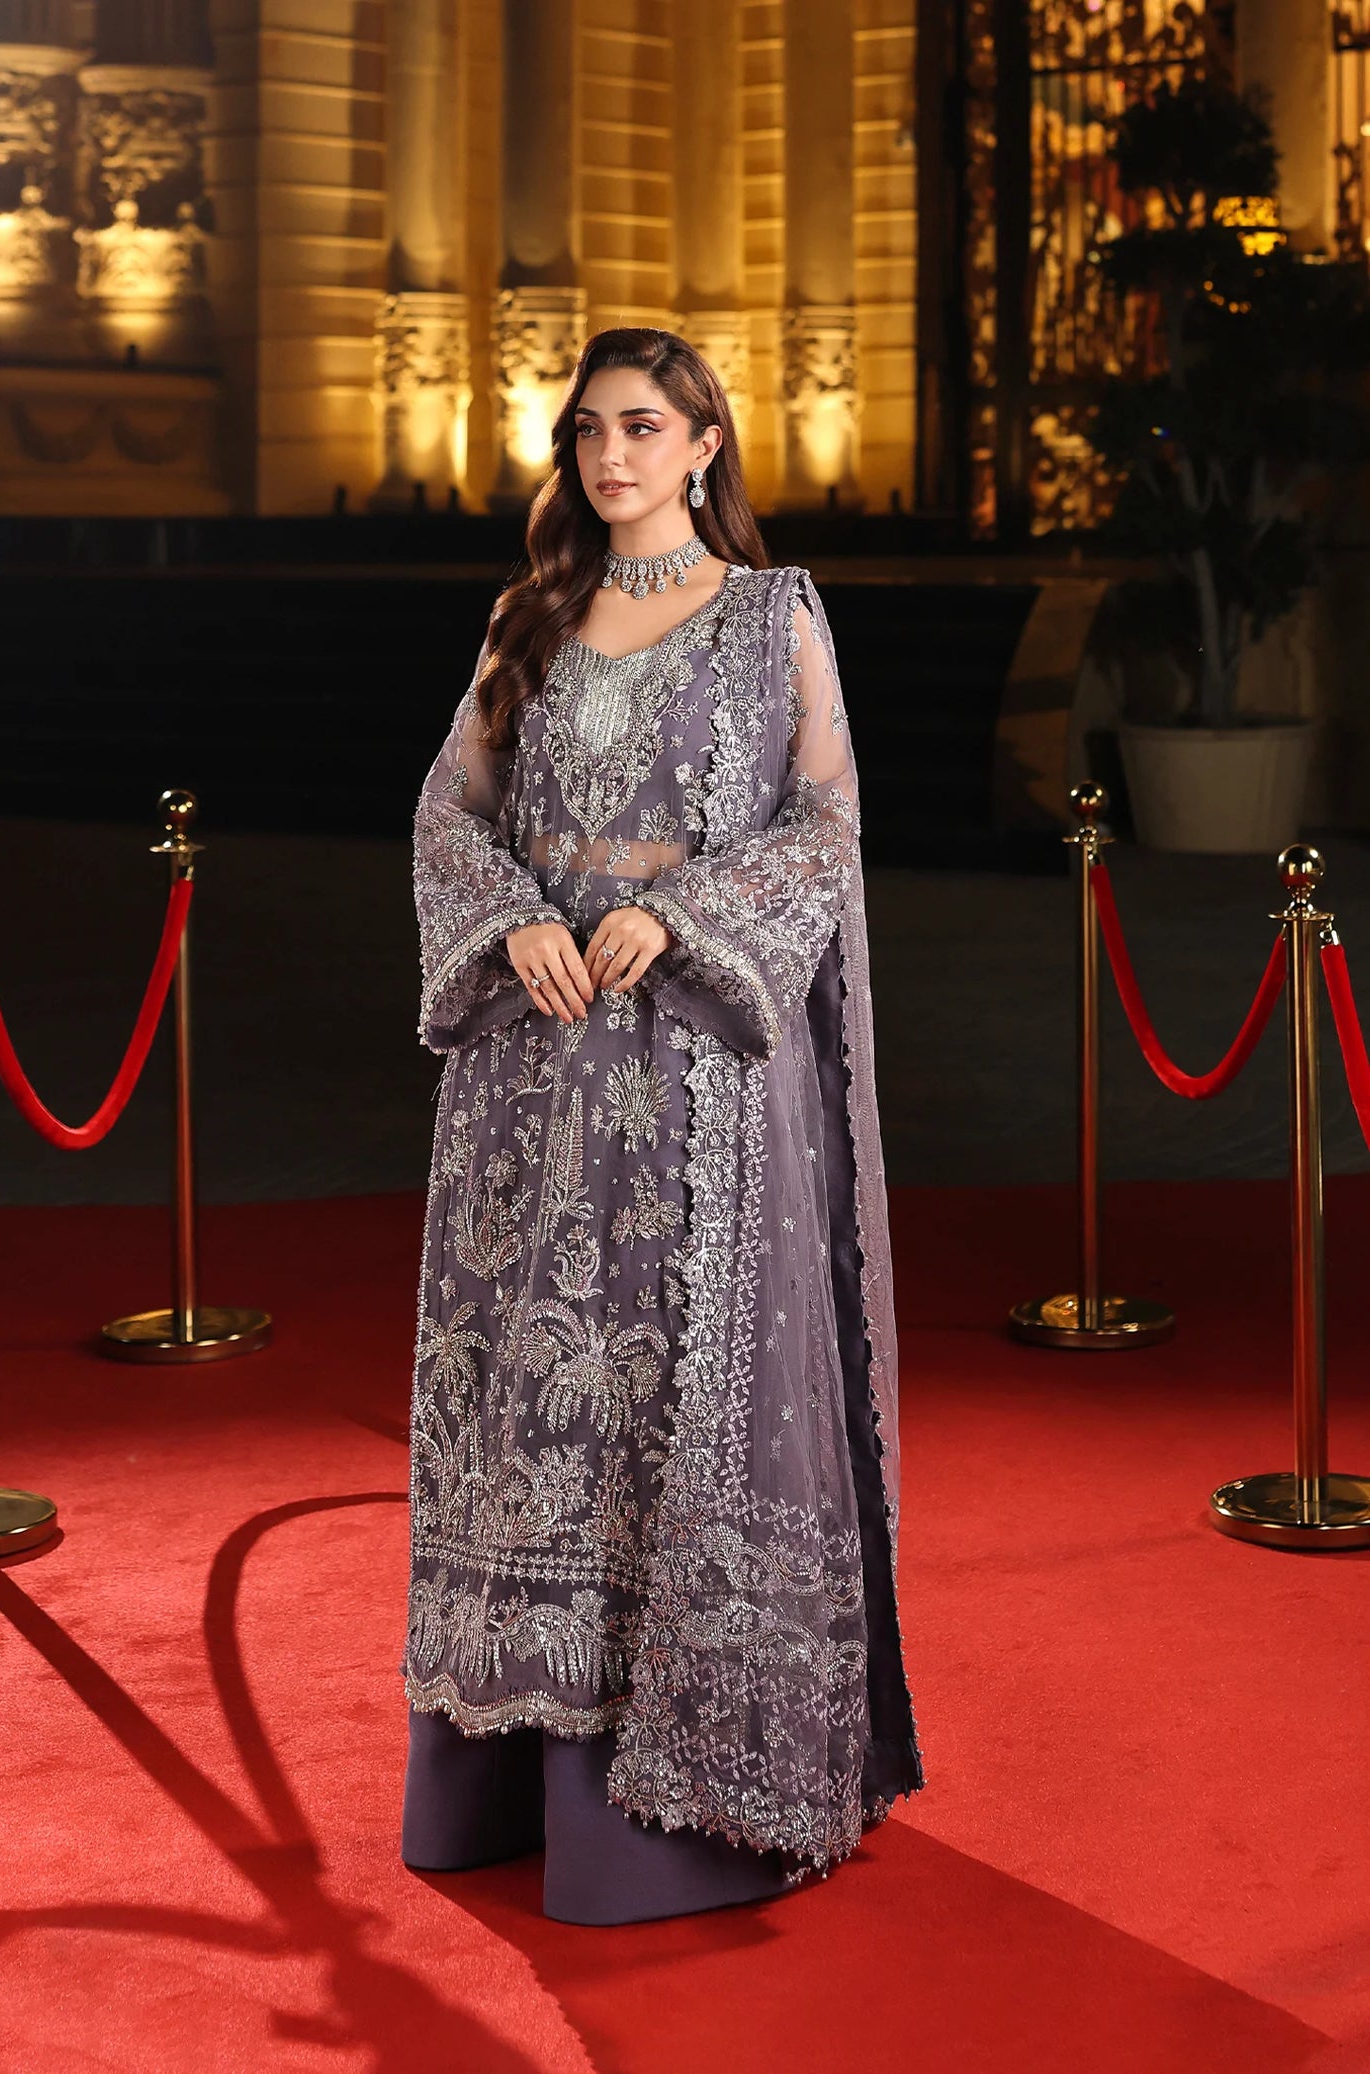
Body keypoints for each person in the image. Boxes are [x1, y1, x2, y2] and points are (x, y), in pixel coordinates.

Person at [401, 327, 923, 1926]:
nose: (609, 457)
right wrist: (505, 928)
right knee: (529, 1407)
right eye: (586, 432)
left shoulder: (776, 618)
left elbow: (824, 827)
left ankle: (683, 1800)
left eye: (643, 427)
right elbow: (450, 810)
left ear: (705, 443)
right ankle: (504, 1782)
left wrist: (686, 913)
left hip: (698, 1069)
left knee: (665, 1392)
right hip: (534, 1080)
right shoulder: (530, 616)